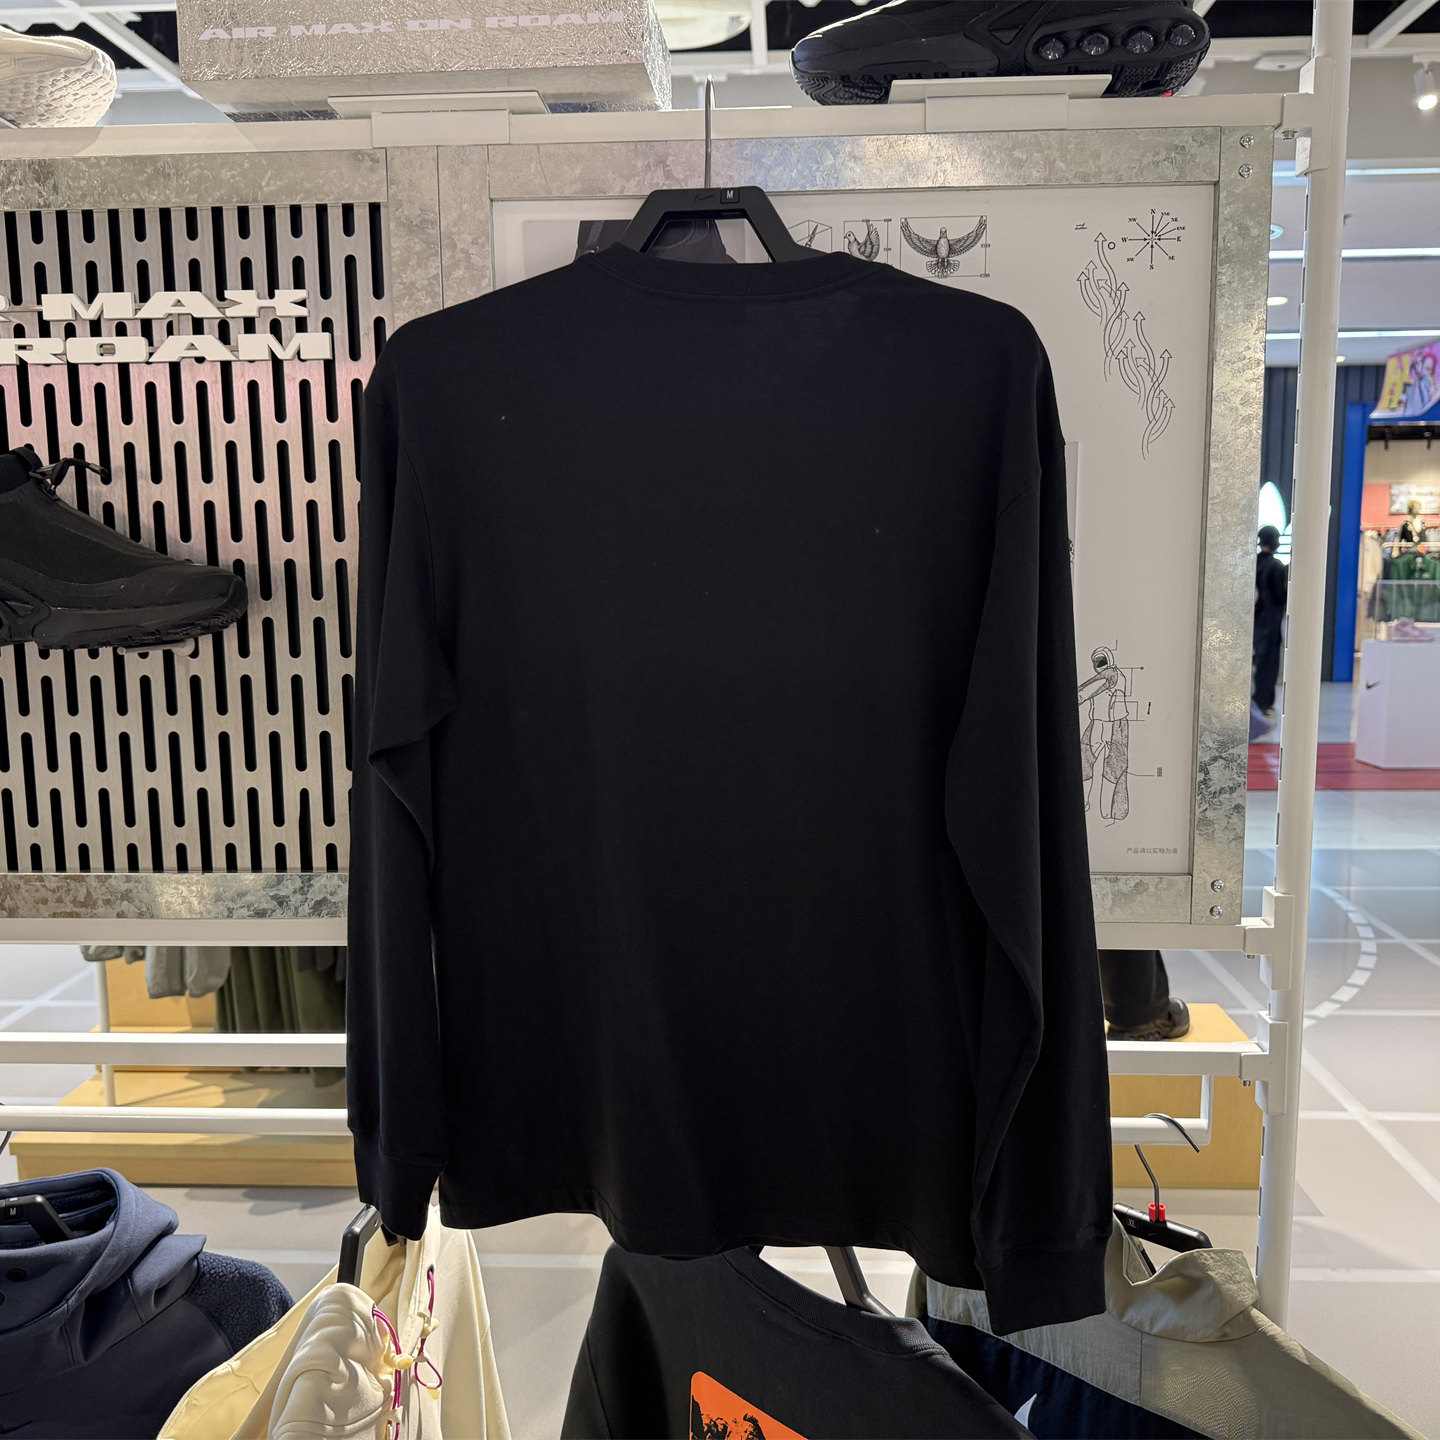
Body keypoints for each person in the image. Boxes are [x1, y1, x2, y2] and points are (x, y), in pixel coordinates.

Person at [1253, 524, 1289, 716]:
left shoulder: (1253, 564)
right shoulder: (1276, 567)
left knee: (1257, 663)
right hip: (1271, 623)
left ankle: (1256, 701)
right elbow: (1280, 596)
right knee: (1268, 664)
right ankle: (1263, 702)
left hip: (1254, 622)